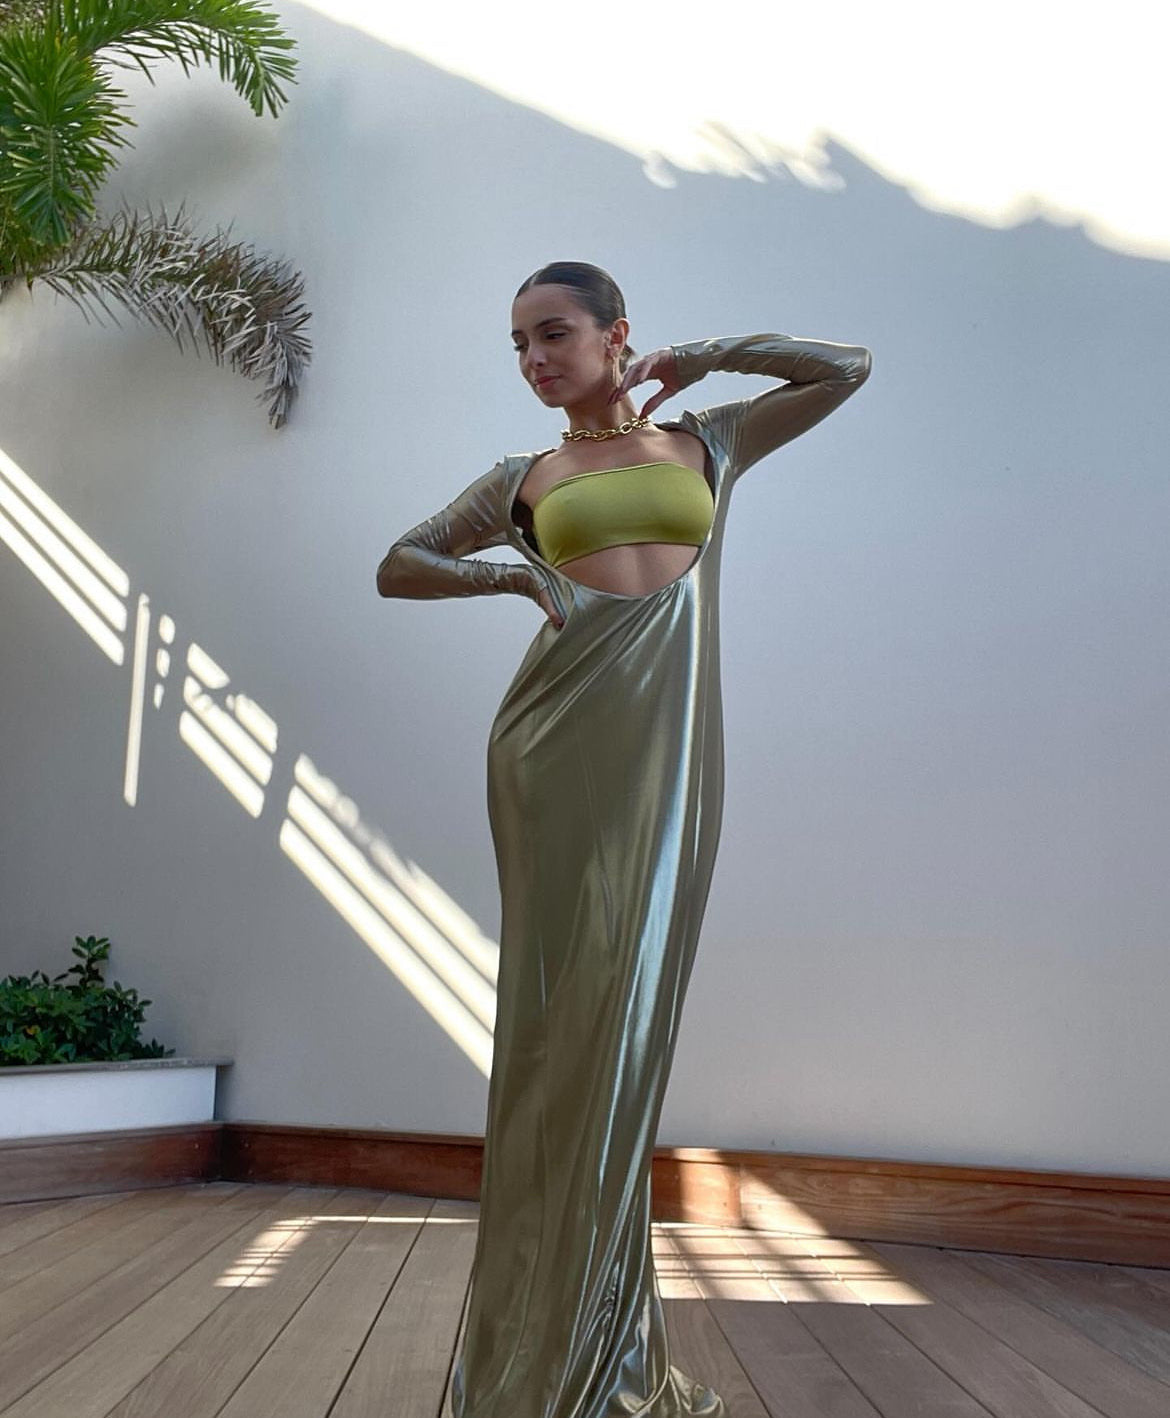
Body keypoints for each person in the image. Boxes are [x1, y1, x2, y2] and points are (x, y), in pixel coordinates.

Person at [377, 261, 872, 1418]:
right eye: (517, 345)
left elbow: (845, 369)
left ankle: (602, 1344)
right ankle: (549, 1359)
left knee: (625, 1034)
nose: (535, 358)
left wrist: (711, 355)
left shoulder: (711, 443)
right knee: (558, 1037)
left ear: (617, 336)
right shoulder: (524, 475)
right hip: (550, 754)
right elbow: (398, 562)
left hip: (670, 761)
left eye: (553, 333)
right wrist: (499, 575)